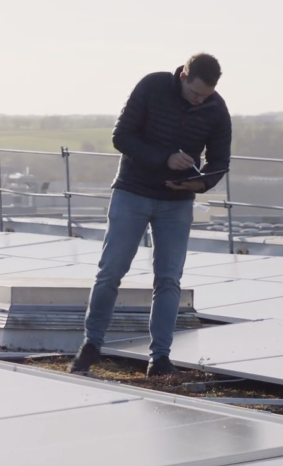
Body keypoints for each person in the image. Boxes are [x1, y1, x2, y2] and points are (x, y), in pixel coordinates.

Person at [70, 53, 231, 377]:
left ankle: (159, 359)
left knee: (169, 279)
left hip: (178, 202)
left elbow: (219, 160)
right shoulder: (152, 86)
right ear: (183, 76)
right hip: (133, 192)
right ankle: (91, 346)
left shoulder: (216, 108)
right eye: (195, 93)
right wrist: (165, 159)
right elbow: (121, 137)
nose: (200, 101)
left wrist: (201, 183)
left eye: (206, 96)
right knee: (111, 271)